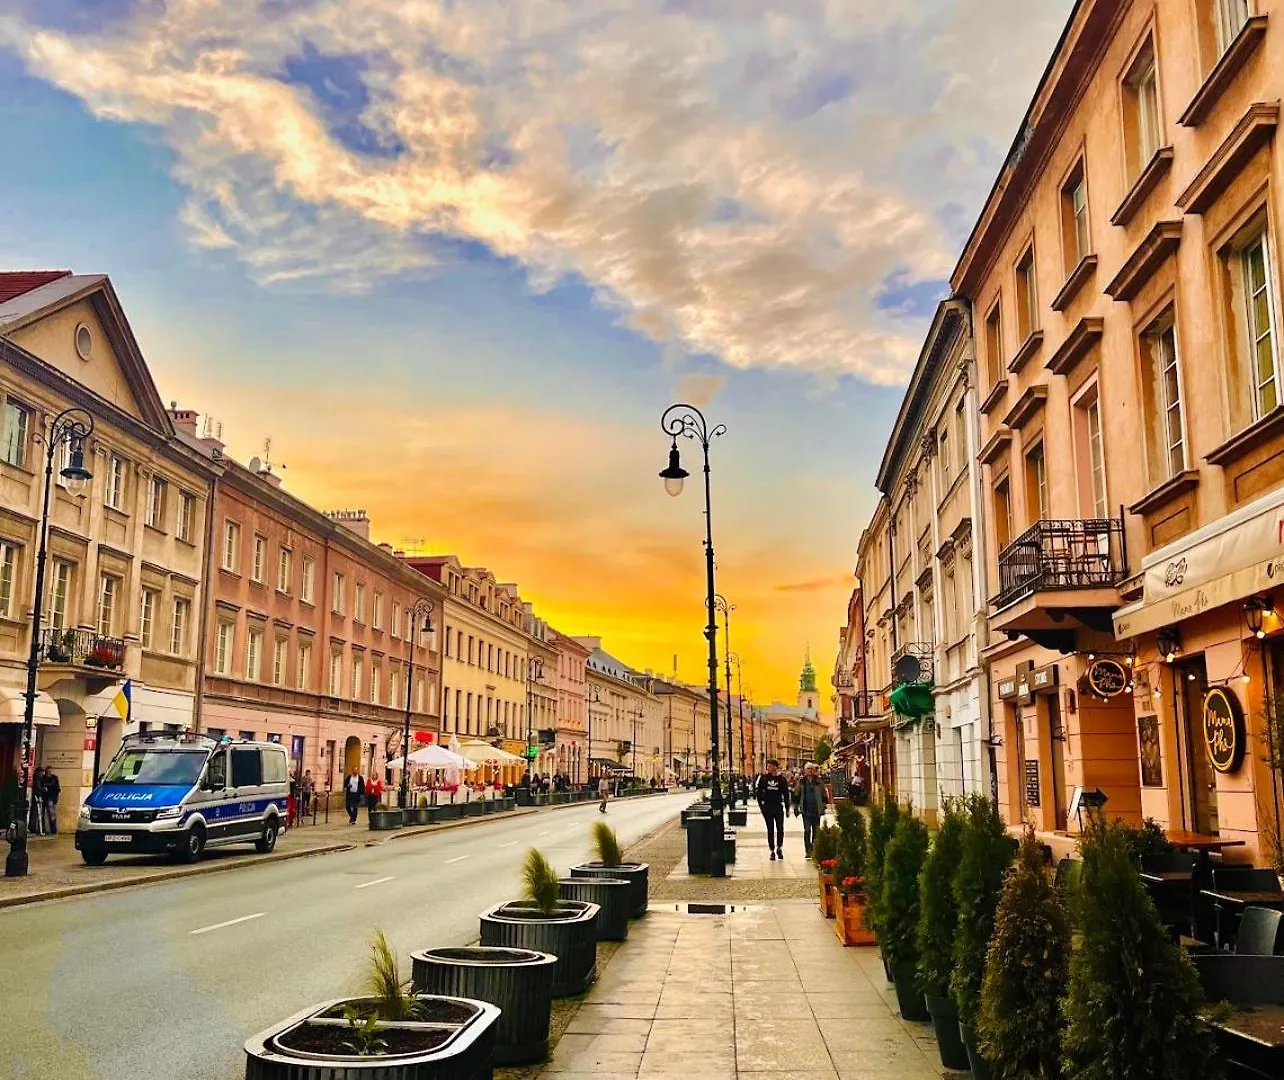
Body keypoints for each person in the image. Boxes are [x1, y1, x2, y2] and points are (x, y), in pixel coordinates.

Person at [754, 759, 790, 860]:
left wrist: (787, 808)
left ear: (775, 767)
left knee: (780, 828)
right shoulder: (764, 778)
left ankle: (779, 847)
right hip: (768, 808)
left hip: (778, 807)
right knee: (770, 829)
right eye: (768, 766)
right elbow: (758, 792)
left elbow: (786, 794)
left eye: (770, 766)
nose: (768, 768)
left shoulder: (781, 779)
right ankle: (772, 850)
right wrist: (761, 806)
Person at [794, 762, 829, 857]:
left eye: (812, 769)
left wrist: (824, 804)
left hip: (816, 809)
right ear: (805, 771)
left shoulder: (819, 781)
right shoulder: (802, 782)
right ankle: (808, 850)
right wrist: (796, 807)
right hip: (806, 810)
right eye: (808, 769)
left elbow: (824, 795)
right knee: (807, 830)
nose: (810, 770)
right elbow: (797, 794)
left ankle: (814, 848)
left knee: (816, 831)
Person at [42, 766, 61, 835]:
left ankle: (53, 829)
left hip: (51, 798)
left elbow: (57, 789)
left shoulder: (54, 778)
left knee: (51, 814)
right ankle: (45, 829)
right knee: (45, 814)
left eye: (50, 771)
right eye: (48, 771)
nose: (49, 772)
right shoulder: (43, 778)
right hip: (45, 798)